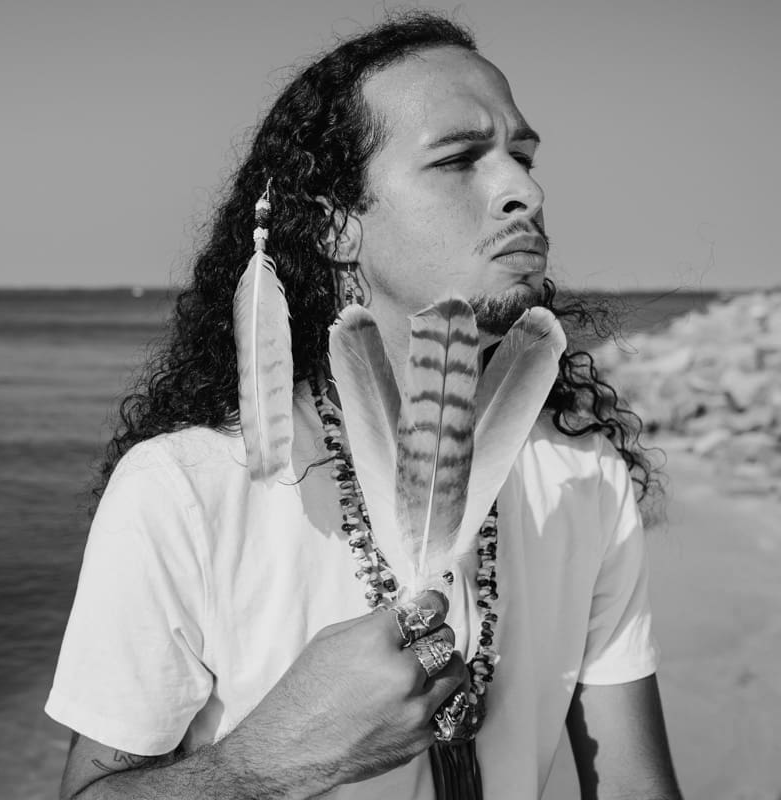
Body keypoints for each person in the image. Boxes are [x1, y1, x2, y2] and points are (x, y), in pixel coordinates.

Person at [45, 11, 683, 800]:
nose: (526, 190)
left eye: (521, 155)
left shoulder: (582, 473)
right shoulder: (186, 487)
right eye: (459, 159)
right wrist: (269, 761)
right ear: (336, 225)